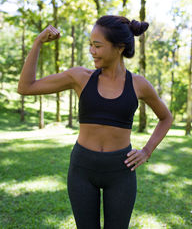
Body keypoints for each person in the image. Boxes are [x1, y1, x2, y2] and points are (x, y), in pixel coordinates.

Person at [17, 15, 173, 229]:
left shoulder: (139, 84)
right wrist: (37, 43)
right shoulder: (80, 77)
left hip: (120, 172)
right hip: (82, 169)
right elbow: (26, 87)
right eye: (90, 44)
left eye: (97, 46)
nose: (91, 50)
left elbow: (166, 118)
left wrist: (146, 151)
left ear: (119, 47)